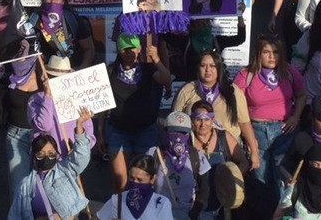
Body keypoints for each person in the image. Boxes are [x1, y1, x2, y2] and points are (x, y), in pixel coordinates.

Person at [234, 34, 307, 189]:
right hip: (256, 133)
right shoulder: (245, 75)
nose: (272, 56)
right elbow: (236, 107)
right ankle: (266, 213)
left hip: (284, 131)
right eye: (266, 52)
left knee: (283, 180)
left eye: (276, 52)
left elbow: (301, 95)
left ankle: (282, 213)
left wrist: (296, 117)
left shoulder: (288, 71)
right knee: (261, 181)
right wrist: (248, 138)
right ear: (258, 54)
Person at [172, 51, 260, 171]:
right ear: (198, 68)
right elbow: (175, 122)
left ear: (219, 68)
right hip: (193, 148)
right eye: (203, 66)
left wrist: (254, 152)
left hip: (228, 149)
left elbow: (244, 123)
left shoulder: (233, 91)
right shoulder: (187, 90)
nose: (208, 70)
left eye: (212, 66)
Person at [106, 34, 173, 190]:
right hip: (118, 130)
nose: (129, 52)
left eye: (133, 48)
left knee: (145, 179)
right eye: (125, 48)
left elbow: (166, 80)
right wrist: (101, 132)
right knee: (120, 181)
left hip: (145, 131)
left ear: (139, 48)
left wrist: (156, 59)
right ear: (118, 50)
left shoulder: (148, 69)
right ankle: (120, 212)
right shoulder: (110, 71)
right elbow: (104, 103)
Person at [5, 107, 94, 220]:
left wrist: (79, 126)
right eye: (40, 154)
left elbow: (81, 155)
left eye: (51, 153)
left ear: (57, 154)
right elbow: (15, 215)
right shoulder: (24, 186)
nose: (46, 157)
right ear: (33, 157)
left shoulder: (65, 170)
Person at [97, 154, 176, 220]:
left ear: (153, 179)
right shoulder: (117, 200)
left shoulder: (162, 203)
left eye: (140, 180)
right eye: (131, 178)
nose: (135, 183)